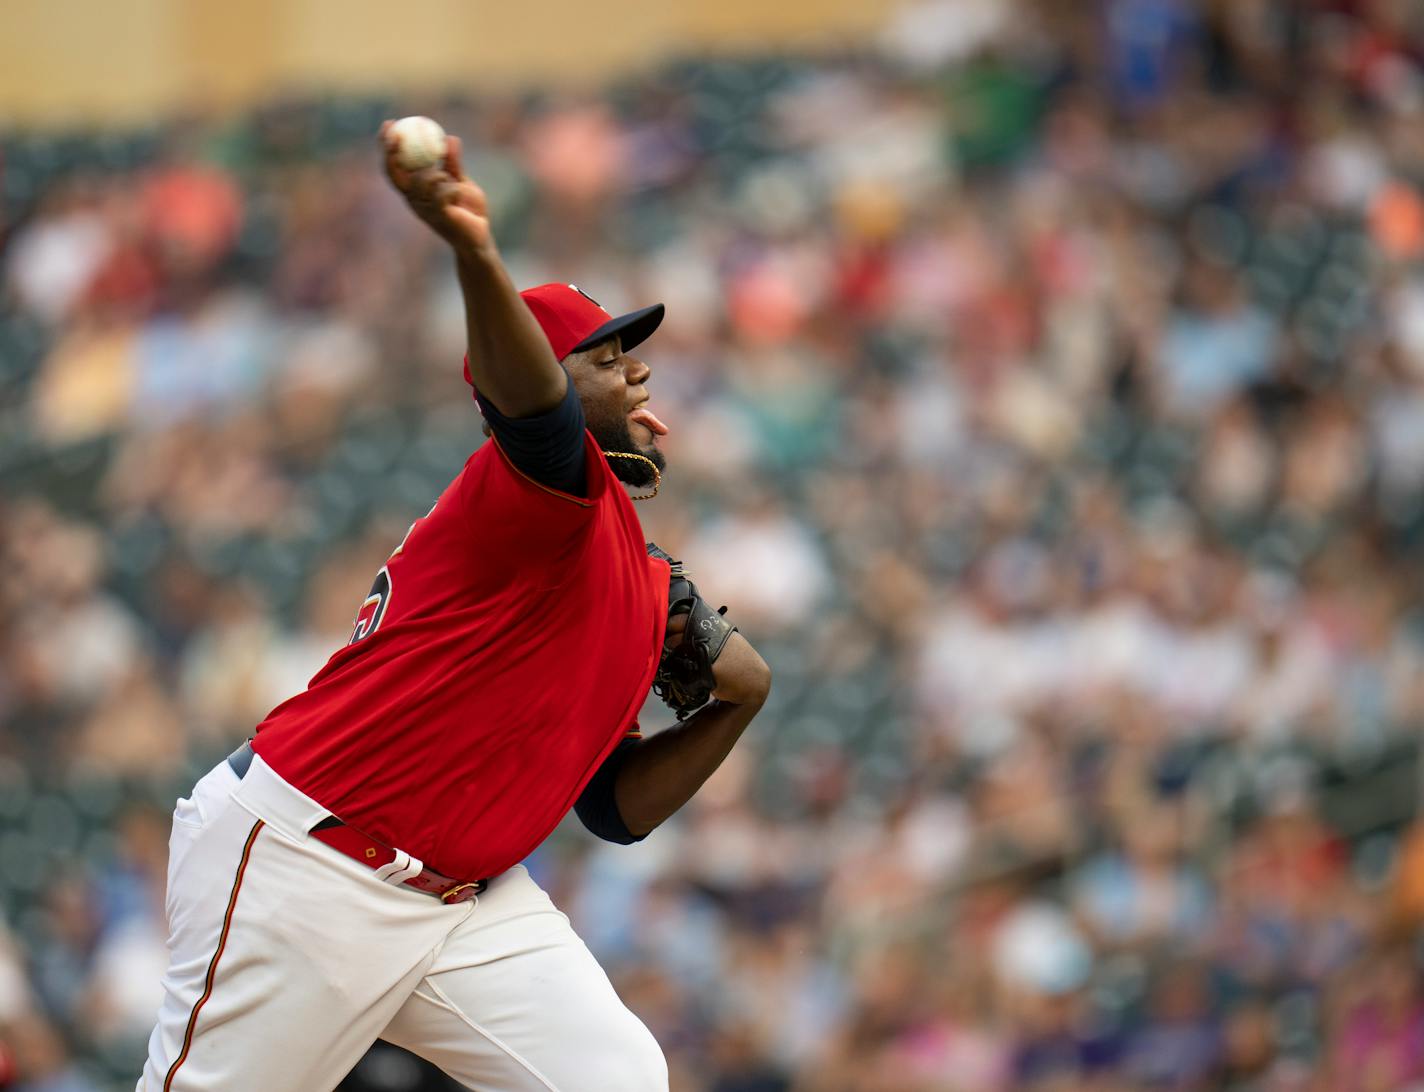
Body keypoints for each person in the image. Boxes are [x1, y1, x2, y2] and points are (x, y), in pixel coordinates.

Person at [135, 122, 772, 1092]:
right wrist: (475, 250)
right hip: (309, 868)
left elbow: (612, 806)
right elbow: (533, 409)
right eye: (603, 357)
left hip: (464, 906)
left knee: (616, 1079)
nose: (637, 367)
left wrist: (738, 703)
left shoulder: (630, 585)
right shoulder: (540, 496)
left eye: (631, 353)